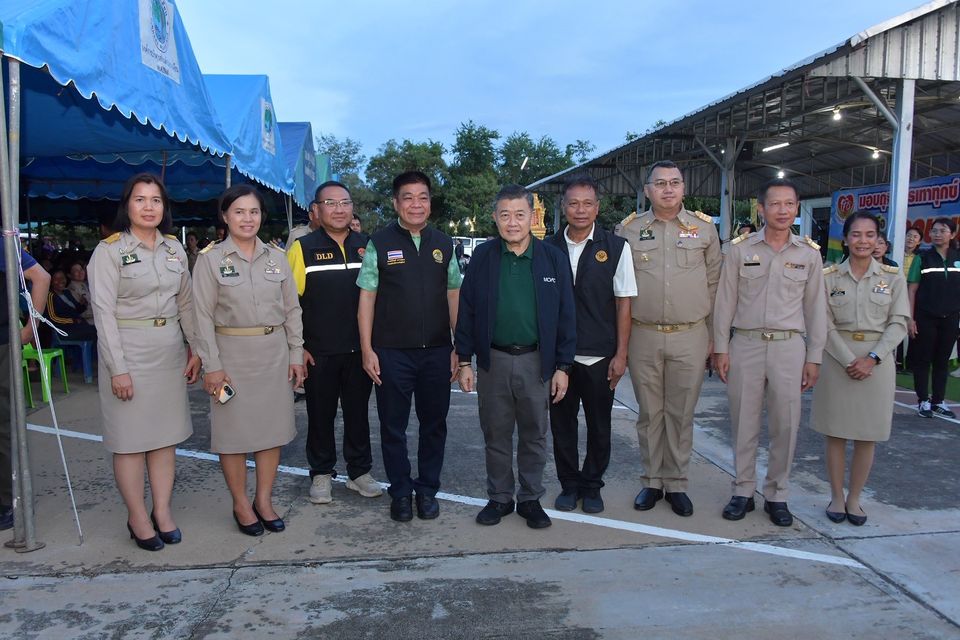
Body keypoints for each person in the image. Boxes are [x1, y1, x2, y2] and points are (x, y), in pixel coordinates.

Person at [88, 173, 201, 551]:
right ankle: (137, 515)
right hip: (128, 352)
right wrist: (118, 368)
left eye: (156, 200)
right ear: (127, 206)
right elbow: (103, 314)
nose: (149, 207)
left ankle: (163, 511)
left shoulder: (174, 249)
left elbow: (185, 304)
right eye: (140, 200)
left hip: (167, 350)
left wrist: (196, 348)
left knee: (165, 439)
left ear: (164, 207)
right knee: (131, 441)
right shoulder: (109, 251)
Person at [455, 185, 575, 529]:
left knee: (535, 433)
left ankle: (530, 498)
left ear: (532, 218)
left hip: (537, 362)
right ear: (495, 219)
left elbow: (567, 314)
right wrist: (465, 361)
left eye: (519, 214)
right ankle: (500, 498)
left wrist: (563, 367)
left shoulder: (552, 258)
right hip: (494, 361)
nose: (512, 222)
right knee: (496, 432)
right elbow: (468, 311)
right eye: (504, 215)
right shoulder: (483, 258)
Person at [712, 177, 827, 526]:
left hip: (789, 347)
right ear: (761, 209)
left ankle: (777, 495)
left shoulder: (808, 254)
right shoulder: (740, 250)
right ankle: (743, 491)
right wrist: (720, 348)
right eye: (775, 204)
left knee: (786, 425)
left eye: (789, 204)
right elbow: (725, 301)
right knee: (743, 422)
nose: (782, 210)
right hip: (745, 344)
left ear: (796, 208)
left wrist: (814, 356)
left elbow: (816, 308)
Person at [193, 185, 305, 536]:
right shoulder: (210, 260)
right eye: (239, 211)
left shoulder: (277, 257)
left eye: (253, 211)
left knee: (271, 434)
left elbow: (292, 310)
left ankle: (264, 500)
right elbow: (201, 318)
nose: (247, 218)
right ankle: (241, 503)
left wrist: (296, 354)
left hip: (273, 355)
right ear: (225, 216)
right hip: (231, 358)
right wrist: (212, 365)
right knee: (233, 436)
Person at [616, 160, 721, 517]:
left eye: (674, 182)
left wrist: (713, 338)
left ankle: (676, 483)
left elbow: (715, 285)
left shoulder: (705, 230)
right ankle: (651, 482)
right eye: (660, 183)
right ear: (647, 190)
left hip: (690, 334)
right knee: (649, 413)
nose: (668, 189)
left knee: (680, 413)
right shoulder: (628, 231)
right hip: (643, 334)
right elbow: (619, 291)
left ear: (684, 188)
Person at [357, 171, 461, 522]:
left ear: (430, 202)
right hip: (391, 353)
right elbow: (367, 297)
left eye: (423, 197)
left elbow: (453, 295)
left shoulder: (444, 244)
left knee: (435, 424)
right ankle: (400, 491)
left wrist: (457, 348)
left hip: (436, 351)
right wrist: (368, 349)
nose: (416, 204)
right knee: (393, 426)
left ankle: (427, 490)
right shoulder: (380, 242)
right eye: (408, 197)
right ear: (395, 202)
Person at [286, 181, 382, 505]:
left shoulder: (368, 246)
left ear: (352, 208)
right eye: (331, 203)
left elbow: (379, 298)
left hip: (360, 350)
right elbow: (288, 302)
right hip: (319, 352)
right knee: (320, 415)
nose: (339, 209)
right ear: (317, 210)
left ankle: (359, 472)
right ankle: (321, 473)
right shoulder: (303, 248)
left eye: (345, 203)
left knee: (358, 414)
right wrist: (298, 347)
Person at [546, 175, 636, 514]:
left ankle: (592, 485)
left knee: (600, 426)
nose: (580, 210)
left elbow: (624, 303)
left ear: (597, 208)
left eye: (587, 203)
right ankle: (569, 485)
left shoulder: (616, 248)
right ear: (563, 207)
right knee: (562, 426)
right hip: (558, 360)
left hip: (600, 357)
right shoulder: (547, 248)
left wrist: (621, 354)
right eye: (573, 203)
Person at [812, 212, 908, 526]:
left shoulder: (893, 277)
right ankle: (837, 497)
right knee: (836, 433)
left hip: (876, 362)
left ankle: (855, 498)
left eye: (869, 235)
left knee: (868, 435)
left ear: (878, 239)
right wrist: (847, 358)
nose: (863, 241)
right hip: (837, 358)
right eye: (856, 235)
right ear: (846, 238)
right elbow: (822, 323)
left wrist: (872, 358)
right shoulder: (827, 277)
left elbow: (898, 323)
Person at [0, 245, 49, 531]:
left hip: (3, 343)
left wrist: (30, 329)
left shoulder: (4, 239)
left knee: (5, 423)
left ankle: (7, 500)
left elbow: (40, 277)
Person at [907, 217, 960, 418]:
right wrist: (910, 319)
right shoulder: (922, 257)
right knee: (923, 360)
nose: (937, 234)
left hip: (951, 317)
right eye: (934, 231)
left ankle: (939, 401)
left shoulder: (957, 257)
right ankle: (923, 401)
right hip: (925, 317)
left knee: (942, 361)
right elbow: (912, 290)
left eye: (942, 230)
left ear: (952, 234)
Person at [46, 269, 97, 341]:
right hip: (63, 330)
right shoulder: (49, 296)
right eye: (56, 279)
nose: (60, 281)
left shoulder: (67, 292)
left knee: (98, 330)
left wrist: (83, 305)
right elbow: (52, 318)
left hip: (77, 326)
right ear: (50, 281)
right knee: (96, 332)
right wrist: (72, 320)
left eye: (62, 278)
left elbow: (75, 311)